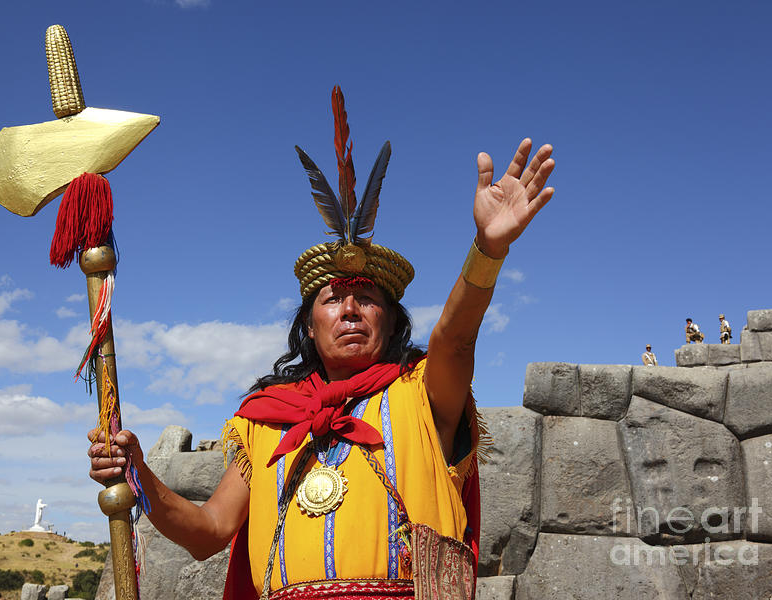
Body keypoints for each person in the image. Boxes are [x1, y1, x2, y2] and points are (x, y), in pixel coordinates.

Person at [87, 90, 555, 599]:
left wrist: (488, 249)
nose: (350, 309)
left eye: (367, 299)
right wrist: (138, 474)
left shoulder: (423, 393)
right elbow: (208, 533)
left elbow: (457, 336)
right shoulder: (263, 420)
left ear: (392, 321)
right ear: (309, 326)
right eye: (333, 299)